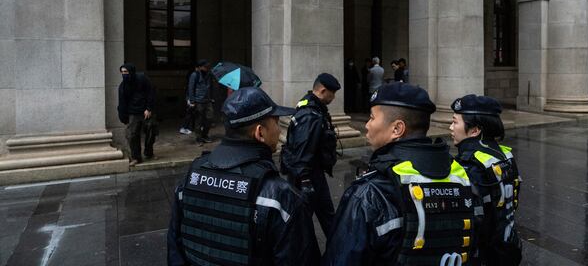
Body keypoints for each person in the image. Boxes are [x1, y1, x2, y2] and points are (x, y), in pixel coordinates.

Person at [323, 82, 481, 266]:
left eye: (372, 118)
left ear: (397, 129)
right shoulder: (462, 180)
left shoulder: (369, 194)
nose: (367, 125)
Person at [167, 87, 320, 266]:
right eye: (276, 123)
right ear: (260, 133)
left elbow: (175, 251)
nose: (279, 131)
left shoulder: (189, 180)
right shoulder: (281, 198)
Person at [450, 95, 522, 266]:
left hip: (482, 256)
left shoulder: (469, 166)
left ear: (475, 130)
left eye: (455, 122)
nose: (451, 127)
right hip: (507, 246)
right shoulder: (505, 155)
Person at [280, 73, 340, 237]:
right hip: (307, 176)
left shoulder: (311, 107)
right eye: (332, 93)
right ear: (322, 90)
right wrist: (306, 182)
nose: (334, 97)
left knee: (322, 218)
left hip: (309, 174)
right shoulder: (310, 115)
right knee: (304, 223)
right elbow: (302, 151)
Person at [117, 63, 155, 166]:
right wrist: (123, 117)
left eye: (126, 72)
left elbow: (150, 92)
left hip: (145, 111)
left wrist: (149, 108)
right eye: (122, 72)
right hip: (133, 113)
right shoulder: (123, 86)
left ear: (131, 71)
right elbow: (122, 103)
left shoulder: (142, 78)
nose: (124, 74)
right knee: (131, 135)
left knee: (151, 130)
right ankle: (136, 157)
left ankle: (148, 151)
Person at [188, 59, 214, 144]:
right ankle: (198, 138)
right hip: (198, 101)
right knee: (198, 120)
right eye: (205, 66)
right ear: (199, 67)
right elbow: (191, 88)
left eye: (207, 66)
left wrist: (211, 97)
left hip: (208, 100)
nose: (207, 68)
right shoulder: (194, 75)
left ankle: (205, 135)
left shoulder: (209, 74)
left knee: (209, 118)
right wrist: (192, 101)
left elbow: (210, 87)